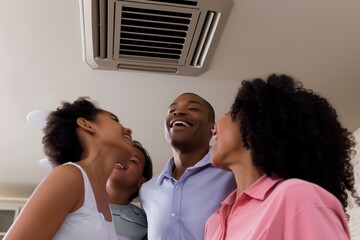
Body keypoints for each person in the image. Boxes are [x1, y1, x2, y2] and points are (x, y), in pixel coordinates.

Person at [205, 74, 360, 239]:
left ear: (252, 126)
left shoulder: (297, 197)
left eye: (229, 112)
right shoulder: (213, 223)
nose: (215, 126)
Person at [5, 97, 134, 240]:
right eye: (114, 120)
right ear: (87, 125)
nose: (128, 129)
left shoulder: (105, 199)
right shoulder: (70, 175)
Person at [139, 92, 237, 240]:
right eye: (172, 110)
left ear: (213, 129)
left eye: (193, 108)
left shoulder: (233, 175)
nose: (178, 112)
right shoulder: (147, 190)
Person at [107, 140, 153, 240]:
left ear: (141, 182)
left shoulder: (145, 222)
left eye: (133, 160)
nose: (122, 159)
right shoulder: (76, 201)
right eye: (119, 155)